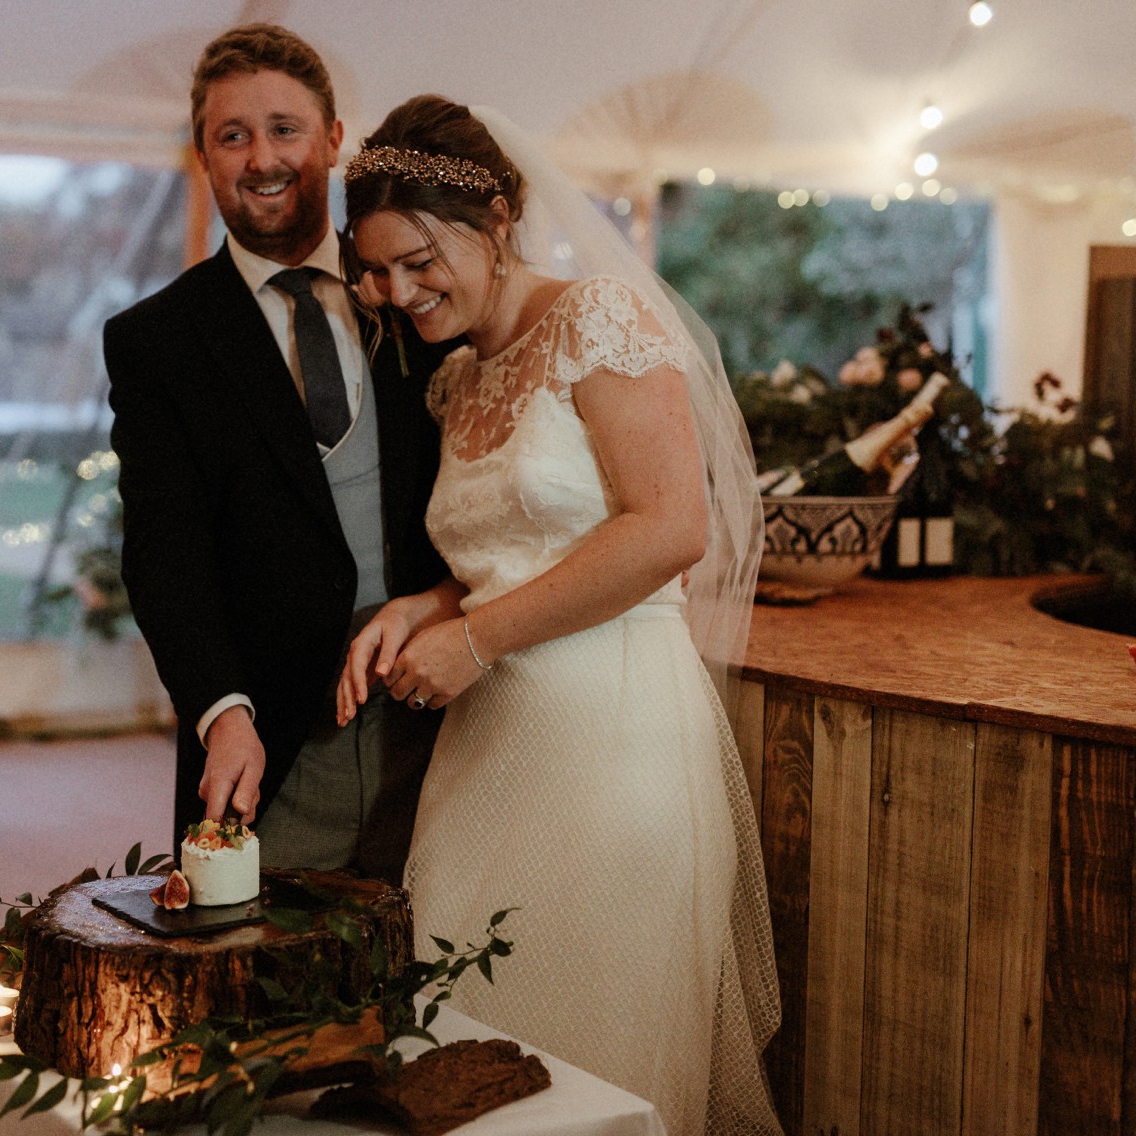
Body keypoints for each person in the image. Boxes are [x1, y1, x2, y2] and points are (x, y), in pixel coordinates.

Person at [335, 97, 781, 1131]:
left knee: (590, 1041)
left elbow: (670, 527)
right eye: (376, 270)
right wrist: (424, 606)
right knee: (467, 1030)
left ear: (493, 221)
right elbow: (516, 548)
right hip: (488, 741)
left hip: (612, 735)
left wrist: (477, 636)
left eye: (417, 260)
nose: (396, 291)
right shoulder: (456, 376)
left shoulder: (600, 319)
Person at [102, 24, 458, 880]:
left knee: (444, 982)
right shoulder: (156, 341)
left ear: (334, 140)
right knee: (269, 995)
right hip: (272, 742)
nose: (262, 157)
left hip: (442, 714)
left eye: (285, 129)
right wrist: (223, 712)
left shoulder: (421, 299)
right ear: (204, 156)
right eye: (234, 136)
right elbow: (164, 550)